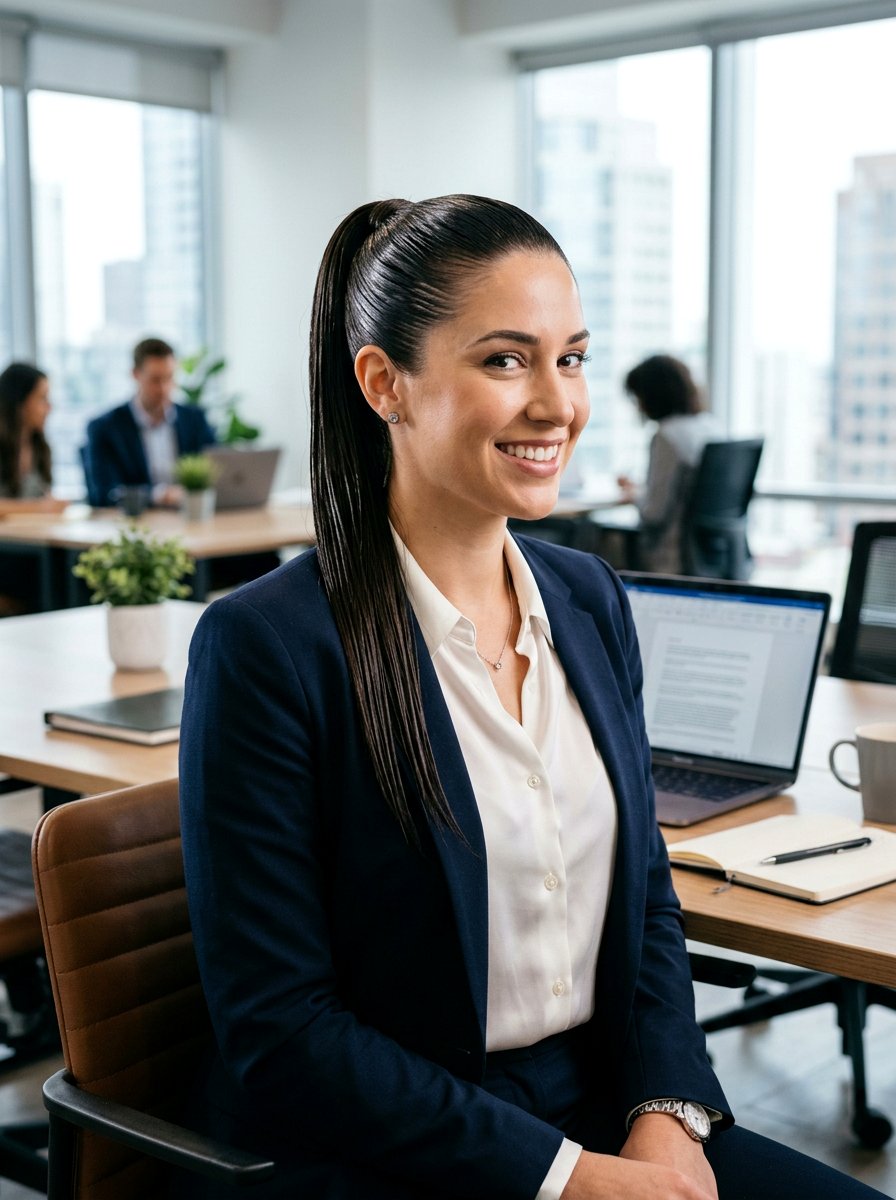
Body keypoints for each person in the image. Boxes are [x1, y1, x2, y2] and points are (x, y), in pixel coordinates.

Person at [178, 196, 885, 1200]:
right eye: (505, 361)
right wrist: (568, 1181)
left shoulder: (587, 596)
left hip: (602, 1107)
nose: (556, 402)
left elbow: (643, 895)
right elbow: (281, 1034)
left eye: (572, 357)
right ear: (383, 383)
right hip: (389, 1146)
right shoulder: (268, 647)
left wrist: (666, 1118)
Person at [617, 354, 721, 573]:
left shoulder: (667, 436)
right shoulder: (710, 427)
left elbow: (654, 513)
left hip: (673, 557)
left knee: (595, 541)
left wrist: (634, 495)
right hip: (714, 555)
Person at [85, 336, 216, 507]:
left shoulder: (194, 420)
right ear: (135, 375)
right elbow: (103, 493)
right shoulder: (105, 428)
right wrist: (158, 495)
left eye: (169, 378)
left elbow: (215, 472)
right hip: (135, 524)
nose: (163, 389)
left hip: (190, 518)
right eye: (155, 380)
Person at [0, 361, 67, 516]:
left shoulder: (39, 446)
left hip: (30, 535)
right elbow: (40, 506)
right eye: (42, 398)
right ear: (19, 402)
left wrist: (53, 504)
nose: (49, 408)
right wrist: (40, 507)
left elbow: (43, 497)